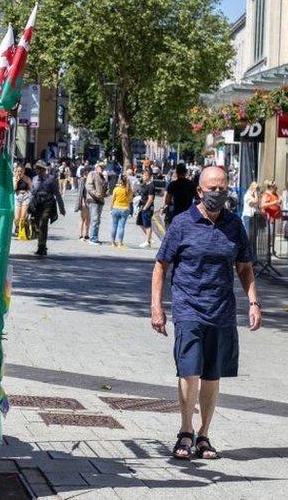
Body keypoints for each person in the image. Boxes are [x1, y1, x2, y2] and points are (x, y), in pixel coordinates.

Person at [150, 166, 261, 461]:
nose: (218, 193)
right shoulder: (182, 224)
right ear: (200, 191)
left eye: (223, 188)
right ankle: (185, 431)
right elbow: (161, 265)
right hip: (188, 308)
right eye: (212, 188)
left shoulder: (234, 225)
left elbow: (245, 267)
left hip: (222, 310)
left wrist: (253, 303)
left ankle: (204, 435)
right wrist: (157, 306)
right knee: (189, 370)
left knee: (212, 375)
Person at [30, 161, 65, 256]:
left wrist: (62, 208)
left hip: (47, 204)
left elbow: (57, 194)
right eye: (36, 169)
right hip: (37, 204)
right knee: (37, 226)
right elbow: (32, 193)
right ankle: (41, 244)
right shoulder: (34, 179)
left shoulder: (51, 179)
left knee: (43, 224)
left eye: (39, 169)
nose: (37, 171)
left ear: (43, 170)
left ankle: (41, 246)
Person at [86, 162, 108, 245]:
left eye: (103, 167)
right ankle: (92, 239)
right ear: (96, 167)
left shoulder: (102, 177)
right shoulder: (92, 174)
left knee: (97, 220)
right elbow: (89, 186)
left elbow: (104, 189)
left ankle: (95, 237)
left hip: (100, 201)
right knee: (95, 219)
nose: (102, 168)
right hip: (93, 200)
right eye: (100, 167)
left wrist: (106, 192)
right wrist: (96, 194)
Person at [136, 169, 156, 248]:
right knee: (140, 223)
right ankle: (150, 238)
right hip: (142, 206)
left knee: (147, 224)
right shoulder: (144, 184)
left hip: (147, 207)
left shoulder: (151, 186)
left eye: (145, 175)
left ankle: (147, 241)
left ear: (149, 176)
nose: (143, 176)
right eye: (143, 174)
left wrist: (145, 208)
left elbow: (151, 198)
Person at [110, 174, 131, 248]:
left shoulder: (116, 189)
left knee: (114, 226)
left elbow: (112, 200)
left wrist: (111, 209)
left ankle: (112, 242)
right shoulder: (128, 190)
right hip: (125, 209)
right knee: (121, 227)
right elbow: (130, 200)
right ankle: (120, 243)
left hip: (115, 207)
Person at [13, 165, 33, 238]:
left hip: (25, 197)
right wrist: (16, 181)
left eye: (21, 171)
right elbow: (14, 189)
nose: (19, 173)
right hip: (17, 197)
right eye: (18, 171)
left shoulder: (27, 178)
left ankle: (22, 231)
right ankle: (17, 227)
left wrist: (28, 193)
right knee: (16, 218)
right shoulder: (14, 178)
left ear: (24, 171)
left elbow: (31, 189)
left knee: (22, 216)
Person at [76, 167, 91, 242]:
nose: (87, 173)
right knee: (82, 218)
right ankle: (80, 235)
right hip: (84, 201)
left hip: (90, 201)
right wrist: (81, 201)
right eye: (86, 172)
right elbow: (80, 192)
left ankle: (87, 234)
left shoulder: (90, 180)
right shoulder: (82, 180)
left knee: (88, 219)